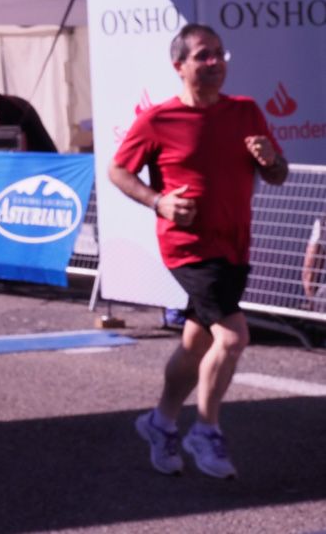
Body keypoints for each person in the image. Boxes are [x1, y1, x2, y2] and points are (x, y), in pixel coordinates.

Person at [110, 24, 288, 480]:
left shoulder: (246, 111)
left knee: (197, 341)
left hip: (234, 243)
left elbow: (277, 175)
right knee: (232, 336)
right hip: (188, 246)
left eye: (219, 55)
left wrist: (271, 159)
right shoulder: (158, 120)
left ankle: (160, 421)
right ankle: (204, 431)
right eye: (203, 56)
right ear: (180, 66)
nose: (215, 63)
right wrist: (158, 200)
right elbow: (117, 171)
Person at [0, 88, 58, 153]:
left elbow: (19, 141)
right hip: (41, 157)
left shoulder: (6, 108)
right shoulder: (4, 105)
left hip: (40, 159)